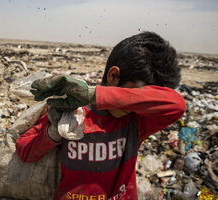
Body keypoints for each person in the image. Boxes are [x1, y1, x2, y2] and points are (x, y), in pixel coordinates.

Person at [16, 31, 186, 200]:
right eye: (131, 96)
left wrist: (94, 95)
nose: (132, 105)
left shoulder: (138, 121)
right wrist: (52, 132)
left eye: (137, 101)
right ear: (113, 76)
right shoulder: (73, 112)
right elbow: (25, 151)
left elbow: (177, 104)